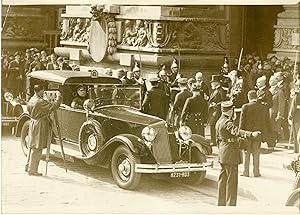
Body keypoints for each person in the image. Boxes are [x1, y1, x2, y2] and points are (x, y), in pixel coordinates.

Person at [216, 100, 261, 206]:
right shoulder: (227, 122)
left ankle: (221, 204)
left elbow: (217, 139)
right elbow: (236, 131)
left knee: (222, 180)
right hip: (230, 154)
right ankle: (231, 206)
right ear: (231, 110)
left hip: (223, 152)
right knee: (232, 182)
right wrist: (251, 134)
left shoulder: (219, 121)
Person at [26, 84, 62, 176]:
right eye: (43, 90)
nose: (44, 92)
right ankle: (33, 170)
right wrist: (59, 97)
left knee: (33, 146)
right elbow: (53, 106)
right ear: (40, 90)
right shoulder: (39, 101)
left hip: (33, 123)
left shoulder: (32, 99)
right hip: (40, 124)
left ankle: (29, 166)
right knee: (38, 147)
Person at [239, 90, 270, 177]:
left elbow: (242, 122)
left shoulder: (245, 107)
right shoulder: (263, 107)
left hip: (248, 134)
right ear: (256, 97)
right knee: (256, 153)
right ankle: (256, 172)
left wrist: (241, 132)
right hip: (258, 134)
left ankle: (246, 172)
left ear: (249, 97)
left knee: (246, 153)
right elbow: (266, 122)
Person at [208, 75, 227, 146]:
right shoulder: (216, 90)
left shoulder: (220, 90)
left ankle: (214, 140)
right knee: (212, 125)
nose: (211, 84)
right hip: (214, 111)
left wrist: (215, 104)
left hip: (217, 111)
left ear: (217, 82)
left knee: (213, 125)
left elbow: (223, 101)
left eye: (212, 82)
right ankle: (214, 140)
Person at [288, 71, 300, 153]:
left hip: (297, 115)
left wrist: (290, 114)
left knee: (296, 132)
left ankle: (297, 149)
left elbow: (294, 105)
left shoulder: (297, 94)